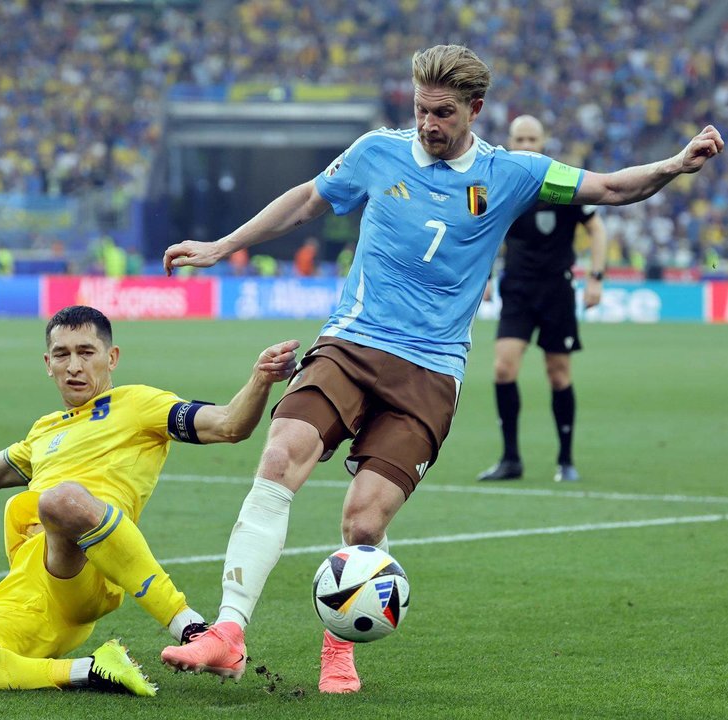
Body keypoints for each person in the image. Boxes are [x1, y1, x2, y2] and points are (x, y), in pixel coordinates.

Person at [158, 44, 722, 694]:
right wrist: (224, 245)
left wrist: (676, 165)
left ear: (474, 110)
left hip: (428, 373)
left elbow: (613, 188)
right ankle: (227, 632)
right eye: (421, 109)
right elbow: (307, 202)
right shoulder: (377, 151)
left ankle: (337, 649)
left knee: (364, 523)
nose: (427, 122)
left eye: (442, 113)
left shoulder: (512, 172)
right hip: (351, 342)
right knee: (282, 454)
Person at [0, 305, 299, 695]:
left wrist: (261, 379)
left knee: (60, 500)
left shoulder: (138, 404)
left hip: (90, 566)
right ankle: (90, 671)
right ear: (47, 364)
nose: (74, 366)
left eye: (86, 352)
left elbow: (228, 424)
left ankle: (194, 629)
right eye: (61, 355)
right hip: (32, 585)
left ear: (111, 358)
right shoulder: (45, 431)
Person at [477, 116, 608, 484]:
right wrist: (483, 276)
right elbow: (479, 228)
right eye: (519, 138)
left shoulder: (564, 179)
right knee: (503, 368)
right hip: (517, 287)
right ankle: (510, 459)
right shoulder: (493, 182)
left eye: (532, 138)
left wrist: (596, 277)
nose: (526, 144)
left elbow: (596, 228)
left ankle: (566, 460)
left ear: (543, 142)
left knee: (558, 373)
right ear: (510, 141)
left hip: (556, 289)